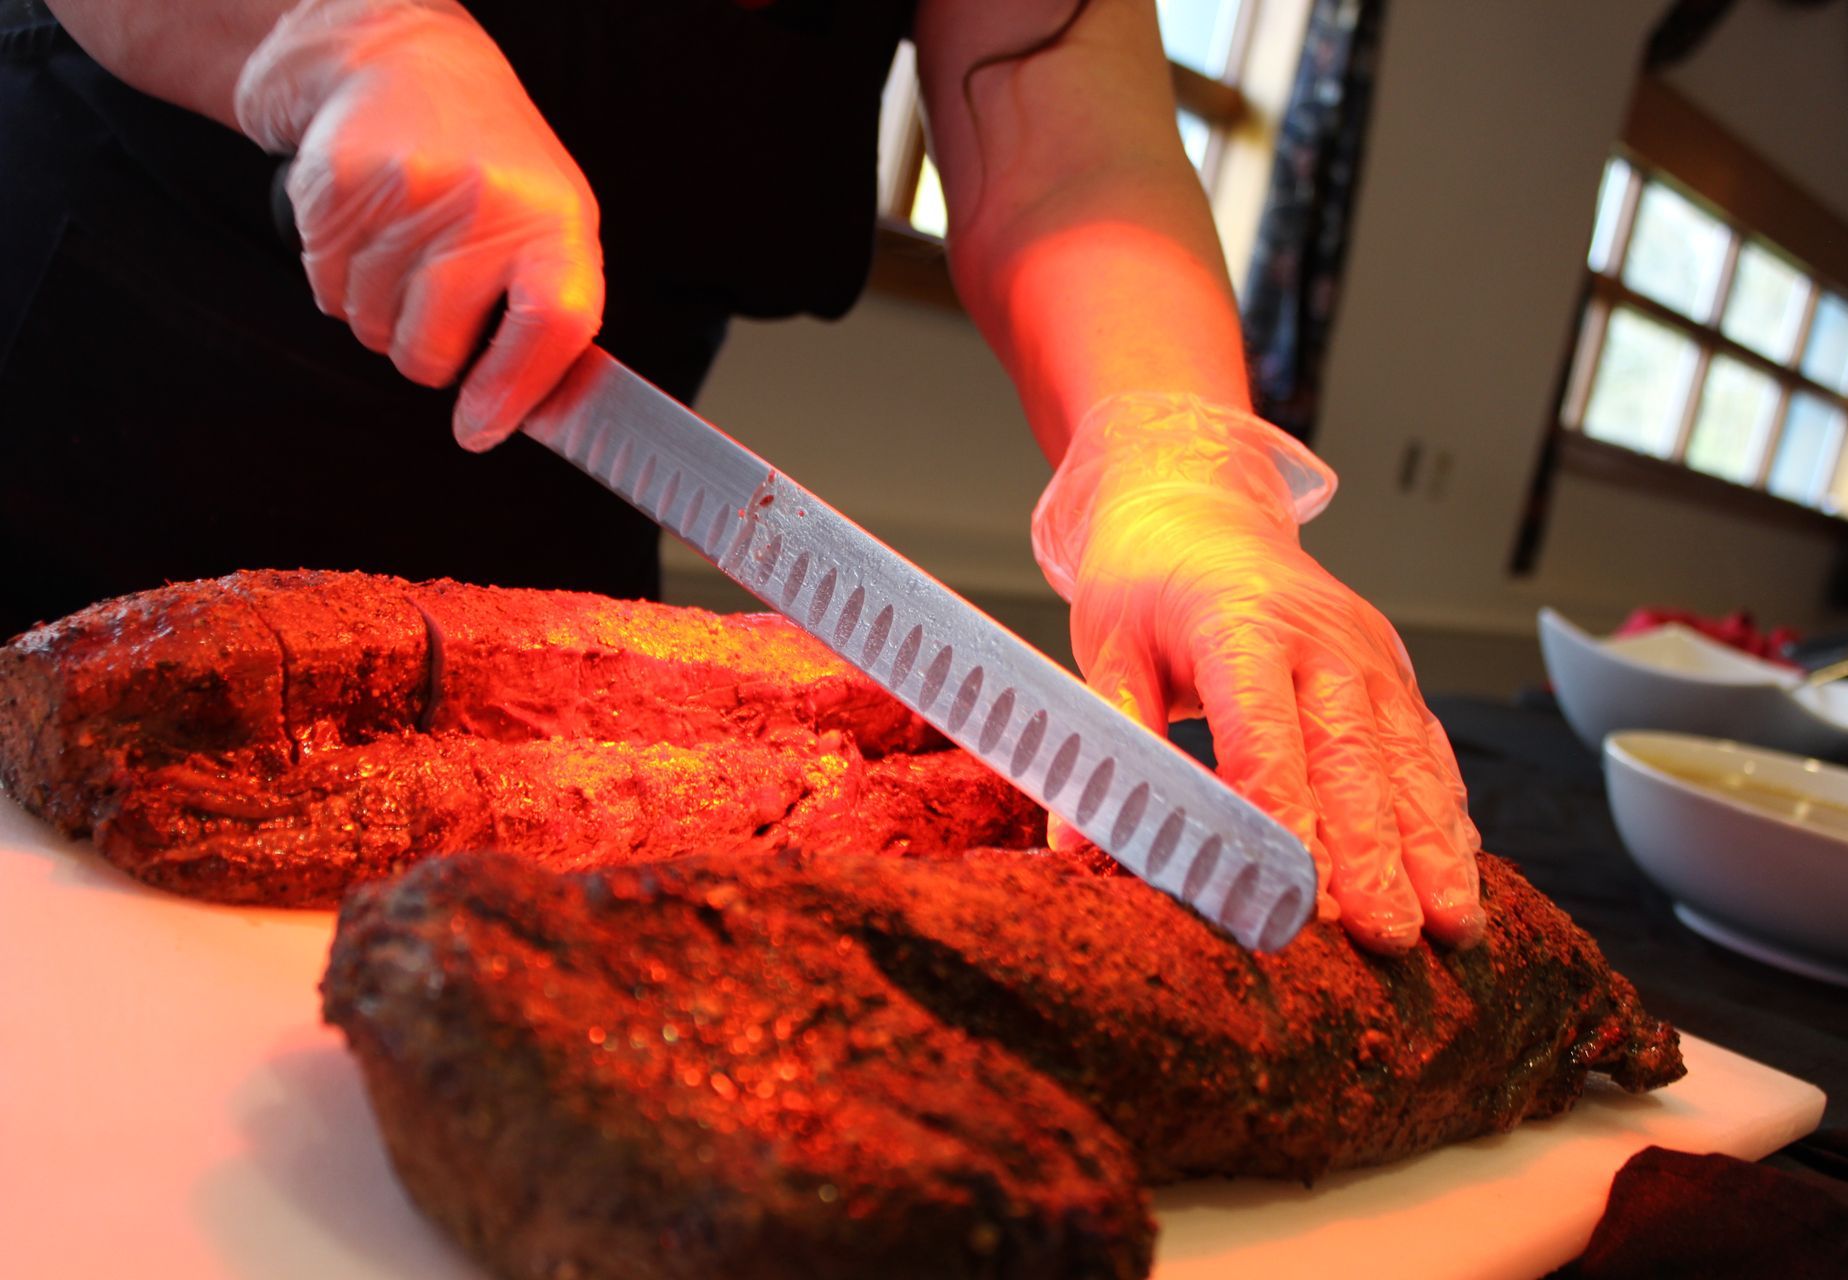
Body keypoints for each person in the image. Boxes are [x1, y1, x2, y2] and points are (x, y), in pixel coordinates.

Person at [0, 0, 1485, 952]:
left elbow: (1062, 137)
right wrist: (330, 37)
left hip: (553, 533)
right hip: (79, 395)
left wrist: (1179, 468)